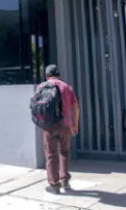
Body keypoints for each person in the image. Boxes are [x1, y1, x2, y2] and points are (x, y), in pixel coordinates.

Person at [40, 65, 79, 194]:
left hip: (49, 126)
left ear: (47, 76)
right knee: (64, 153)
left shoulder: (41, 87)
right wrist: (75, 125)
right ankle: (65, 181)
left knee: (51, 155)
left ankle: (54, 185)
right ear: (59, 75)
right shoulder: (67, 87)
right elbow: (76, 108)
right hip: (65, 126)